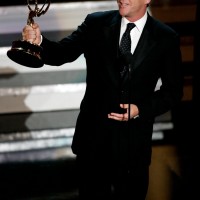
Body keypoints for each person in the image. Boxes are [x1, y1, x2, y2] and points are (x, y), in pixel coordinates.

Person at [22, 0, 183, 199]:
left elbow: (173, 92)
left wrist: (139, 109)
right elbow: (62, 53)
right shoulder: (96, 23)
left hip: (133, 148)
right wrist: (39, 42)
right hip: (93, 143)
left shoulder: (165, 37)